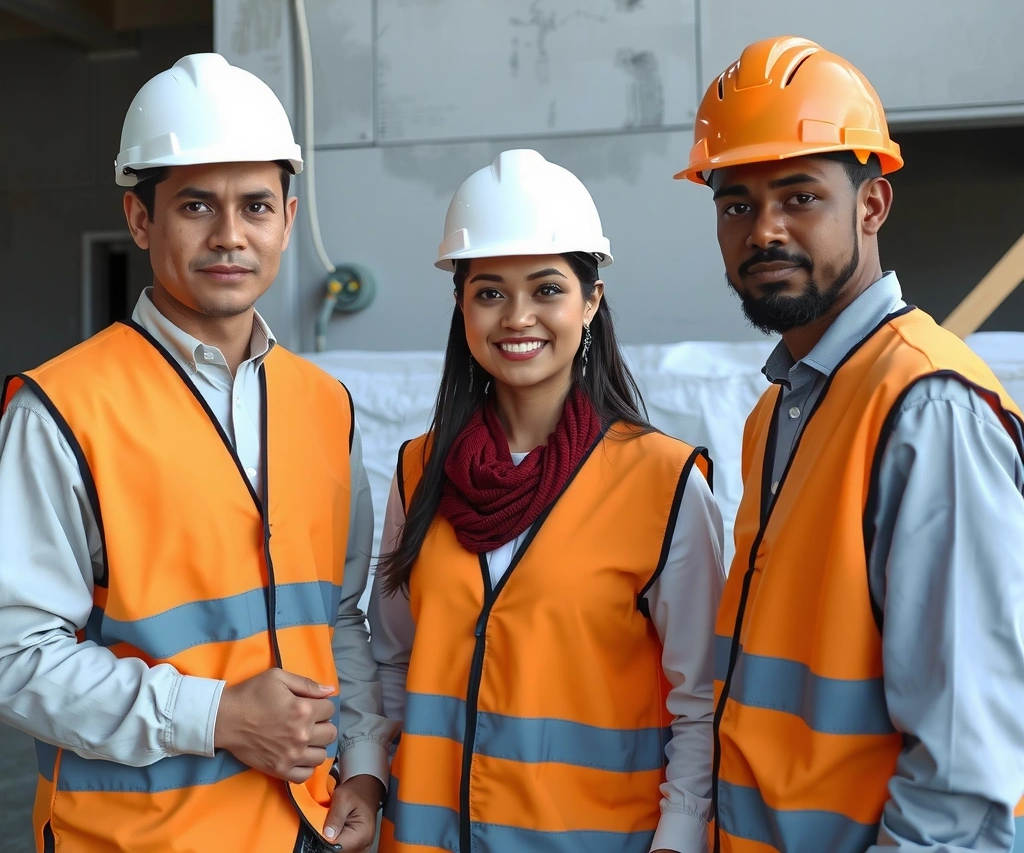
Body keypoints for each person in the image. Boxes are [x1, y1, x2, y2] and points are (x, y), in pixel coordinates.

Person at [0, 53, 397, 853]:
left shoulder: (324, 405)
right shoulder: (62, 409)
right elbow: (16, 656)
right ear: (140, 219)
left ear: (288, 219)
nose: (230, 236)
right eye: (195, 206)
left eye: (256, 206)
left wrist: (362, 764)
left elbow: (338, 615)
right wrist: (218, 716)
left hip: (306, 829)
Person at [676, 35, 1024, 853]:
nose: (764, 230)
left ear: (872, 206)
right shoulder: (780, 410)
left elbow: (965, 775)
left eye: (800, 196)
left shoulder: (928, 408)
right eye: (736, 205)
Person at [369, 148, 726, 853]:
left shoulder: (663, 481)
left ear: (591, 301)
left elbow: (702, 700)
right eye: (490, 293)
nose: (517, 316)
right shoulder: (420, 471)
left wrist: (679, 838)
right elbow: (392, 664)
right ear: (461, 306)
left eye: (547, 289)